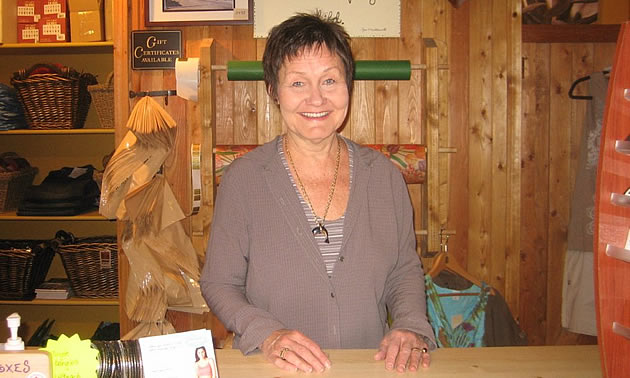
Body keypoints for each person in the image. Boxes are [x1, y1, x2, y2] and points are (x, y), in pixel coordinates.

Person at [200, 12, 436, 374]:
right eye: (297, 83)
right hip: (275, 369)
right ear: (273, 91)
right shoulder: (244, 180)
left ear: (348, 85)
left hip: (370, 366)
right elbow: (219, 283)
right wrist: (267, 333)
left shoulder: (384, 177)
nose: (316, 98)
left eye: (329, 80)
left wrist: (409, 325)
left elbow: (403, 270)